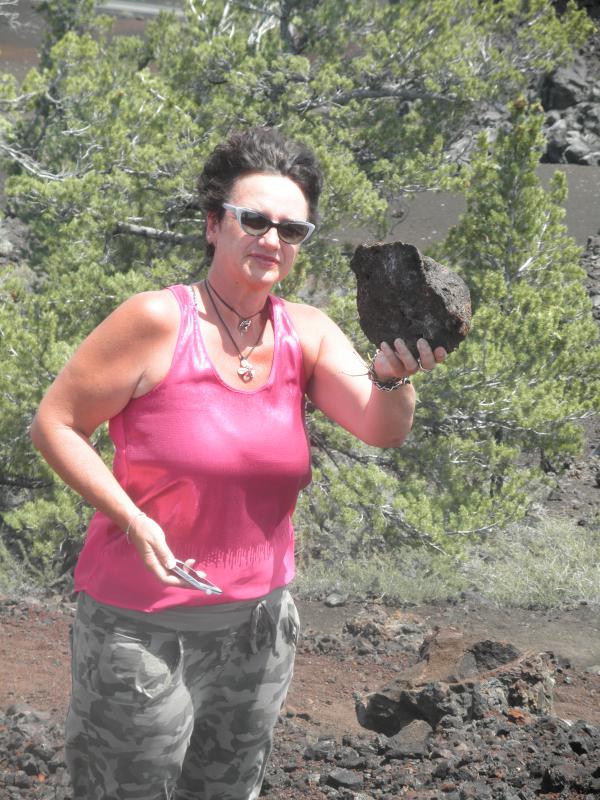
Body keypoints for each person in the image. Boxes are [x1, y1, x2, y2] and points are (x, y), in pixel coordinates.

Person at [30, 126, 446, 800]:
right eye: (253, 220)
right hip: (139, 629)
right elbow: (55, 424)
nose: (272, 239)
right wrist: (132, 518)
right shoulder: (155, 321)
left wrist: (395, 378)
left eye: (292, 229)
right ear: (212, 224)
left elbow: (381, 427)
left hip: (258, 632)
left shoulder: (306, 332)